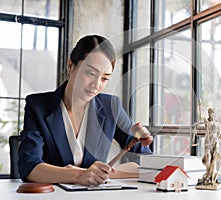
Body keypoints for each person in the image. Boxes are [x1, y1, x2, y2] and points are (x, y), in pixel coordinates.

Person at [18, 35, 153, 186]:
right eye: (90, 73)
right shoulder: (38, 106)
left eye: (104, 78)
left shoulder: (111, 107)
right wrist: (78, 175)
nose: (96, 85)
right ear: (70, 66)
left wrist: (102, 175)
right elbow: (28, 166)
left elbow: (146, 161)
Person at [199, 108, 221, 185]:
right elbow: (201, 116)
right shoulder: (207, 122)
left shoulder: (218, 124)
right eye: (210, 112)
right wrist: (200, 106)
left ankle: (212, 177)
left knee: (214, 159)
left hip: (215, 142)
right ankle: (208, 173)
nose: (212, 114)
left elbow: (219, 134)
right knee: (207, 158)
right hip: (207, 142)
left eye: (213, 112)